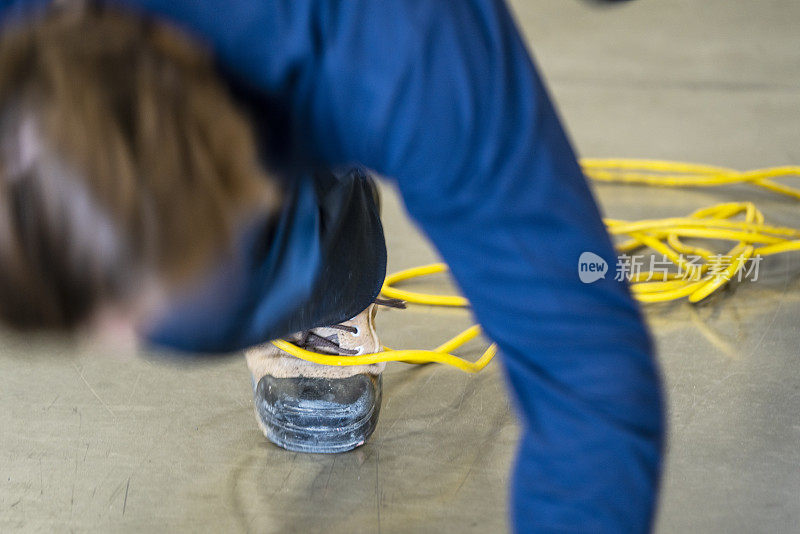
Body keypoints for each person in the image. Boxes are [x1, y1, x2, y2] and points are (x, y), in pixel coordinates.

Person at [0, 1, 664, 532]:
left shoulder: (404, 50)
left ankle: (327, 269)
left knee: (211, 308)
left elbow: (587, 376)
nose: (113, 343)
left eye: (116, 308)